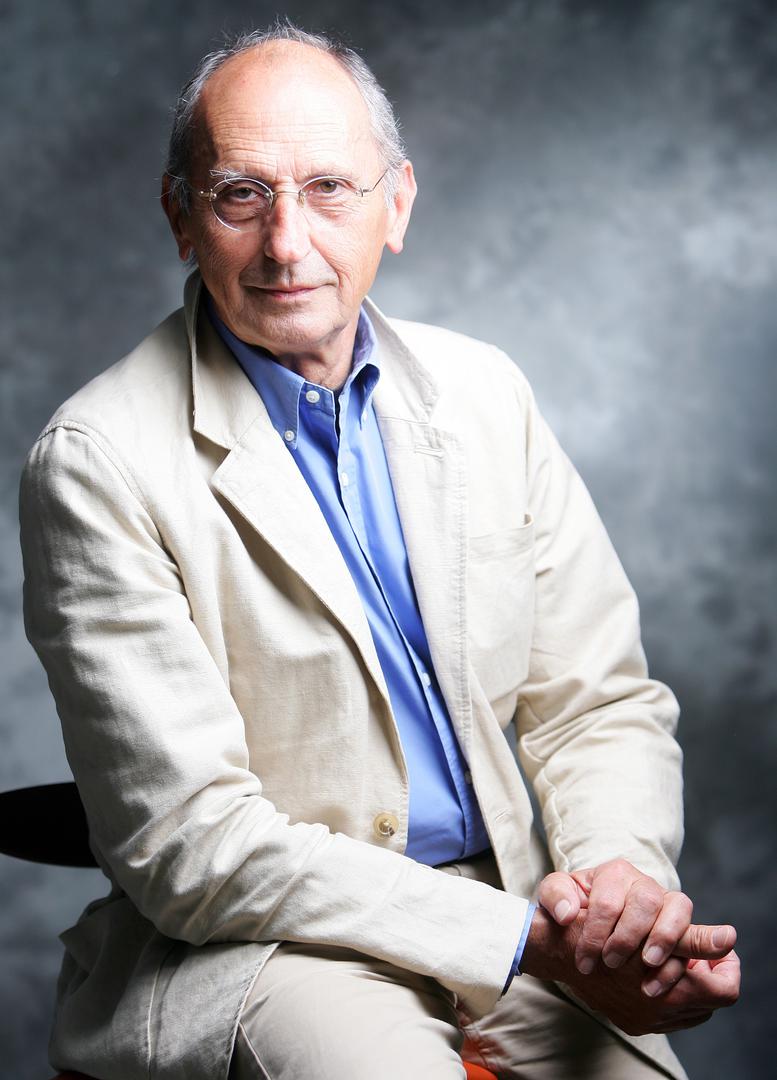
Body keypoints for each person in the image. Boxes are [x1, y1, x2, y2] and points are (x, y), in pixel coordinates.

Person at [19, 23, 739, 1080]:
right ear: (181, 217)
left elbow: (596, 702)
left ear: (395, 205)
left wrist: (619, 896)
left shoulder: (486, 394)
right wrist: (520, 938)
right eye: (240, 195)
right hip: (267, 945)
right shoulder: (97, 461)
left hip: (514, 912)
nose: (287, 243)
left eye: (329, 189)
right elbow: (192, 845)